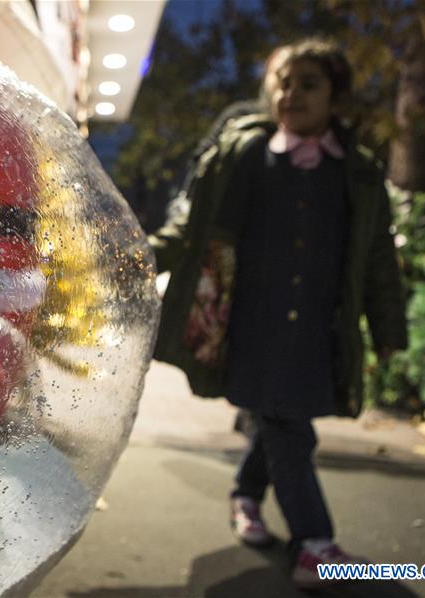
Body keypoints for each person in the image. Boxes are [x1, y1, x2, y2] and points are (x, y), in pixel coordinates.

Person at [150, 38, 407, 587]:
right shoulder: (244, 156)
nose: (291, 94)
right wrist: (138, 255)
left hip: (317, 332)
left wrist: (388, 327)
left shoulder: (359, 174)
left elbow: (378, 258)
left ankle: (246, 495)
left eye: (308, 84)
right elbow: (194, 229)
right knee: (289, 426)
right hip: (252, 327)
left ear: (336, 95)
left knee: (282, 419)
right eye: (284, 83)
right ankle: (315, 542)